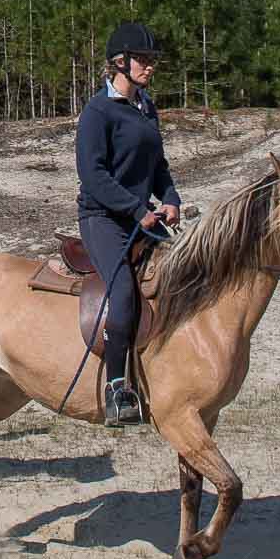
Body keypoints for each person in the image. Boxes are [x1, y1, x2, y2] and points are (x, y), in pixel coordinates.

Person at [75, 22, 181, 427]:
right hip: (103, 218)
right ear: (119, 62)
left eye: (152, 61)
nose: (149, 67)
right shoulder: (97, 112)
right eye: (143, 60)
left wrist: (170, 198)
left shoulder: (146, 108)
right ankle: (117, 389)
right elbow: (94, 176)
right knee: (122, 291)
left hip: (143, 216)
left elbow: (159, 167)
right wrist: (138, 210)